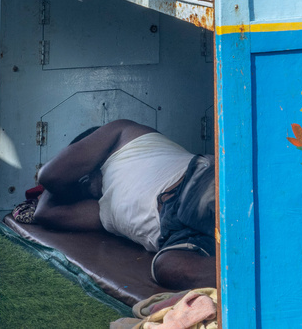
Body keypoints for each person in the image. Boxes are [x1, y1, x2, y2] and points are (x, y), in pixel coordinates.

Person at [32, 119, 216, 290]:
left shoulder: (124, 133)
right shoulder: (102, 209)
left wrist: (71, 174)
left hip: (194, 185)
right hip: (179, 235)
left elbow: (49, 176)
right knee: (168, 268)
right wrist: (74, 186)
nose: (84, 181)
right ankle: (243, 270)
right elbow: (44, 214)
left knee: (211, 206)